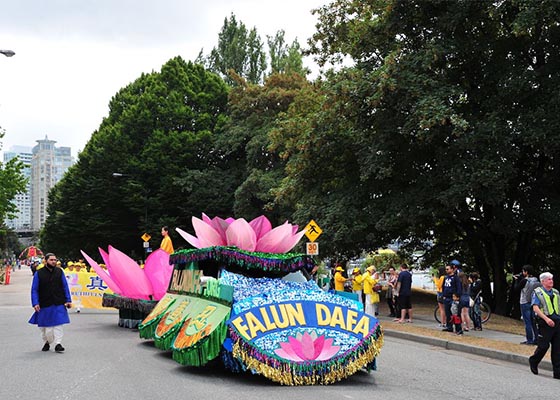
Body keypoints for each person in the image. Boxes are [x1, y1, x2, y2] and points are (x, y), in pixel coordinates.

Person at [29, 253, 72, 352]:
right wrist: (35, 303)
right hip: (44, 303)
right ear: (46, 260)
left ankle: (58, 344)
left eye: (55, 260)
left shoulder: (59, 272)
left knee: (58, 324)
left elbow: (65, 286)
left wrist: (68, 300)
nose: (54, 262)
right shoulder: (39, 273)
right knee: (46, 328)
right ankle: (47, 342)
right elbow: (34, 290)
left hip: (58, 302)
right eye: (51, 260)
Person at [528, 272, 560, 378]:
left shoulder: (556, 292)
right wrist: (546, 319)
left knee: (557, 348)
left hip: (557, 322)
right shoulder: (538, 292)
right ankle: (533, 361)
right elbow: (535, 308)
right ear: (543, 281)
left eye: (552, 279)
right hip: (545, 322)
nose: (551, 281)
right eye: (549, 279)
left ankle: (557, 372)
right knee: (543, 346)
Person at [514, 265, 540, 345]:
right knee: (533, 321)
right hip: (533, 302)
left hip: (525, 302)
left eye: (523, 271)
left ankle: (529, 340)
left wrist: (516, 280)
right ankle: (536, 339)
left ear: (526, 272)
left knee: (527, 322)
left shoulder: (524, 281)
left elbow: (516, 288)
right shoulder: (536, 280)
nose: (522, 272)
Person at [442, 262, 462, 332]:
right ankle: (449, 327)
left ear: (452, 269)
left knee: (455, 314)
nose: (446, 270)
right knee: (448, 314)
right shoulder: (446, 278)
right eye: (446, 269)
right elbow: (443, 287)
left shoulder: (456, 278)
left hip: (453, 298)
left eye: (448, 269)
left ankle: (458, 329)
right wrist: (443, 295)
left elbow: (459, 288)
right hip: (446, 297)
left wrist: (457, 295)